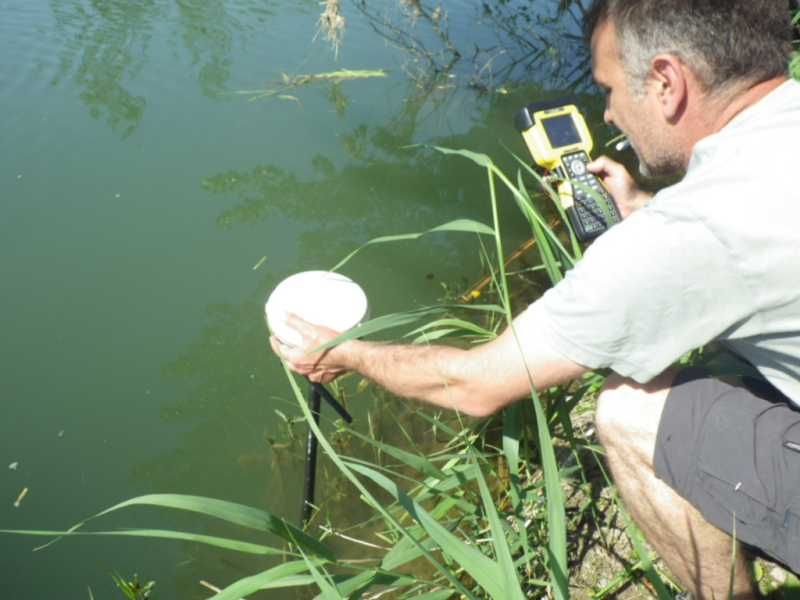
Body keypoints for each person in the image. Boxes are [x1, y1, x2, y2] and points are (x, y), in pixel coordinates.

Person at [271, 1, 800, 597]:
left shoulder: (687, 238)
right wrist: (645, 209)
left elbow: (477, 384)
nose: (607, 114)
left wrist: (346, 354)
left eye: (608, 89)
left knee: (631, 412)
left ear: (666, 82)